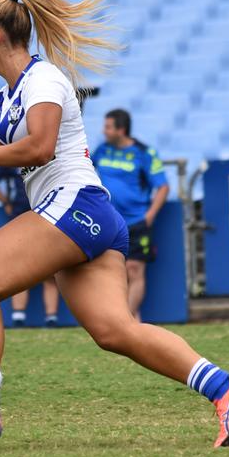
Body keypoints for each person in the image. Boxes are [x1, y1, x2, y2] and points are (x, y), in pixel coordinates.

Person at [0, 0, 229, 448]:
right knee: (115, 331)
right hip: (85, 215)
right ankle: (225, 387)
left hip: (72, 204)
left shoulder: (43, 78)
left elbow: (41, 147)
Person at [92, 109, 169, 320]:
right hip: (109, 221)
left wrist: (150, 216)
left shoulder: (144, 153)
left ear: (121, 130)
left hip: (136, 222)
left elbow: (162, 187)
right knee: (114, 271)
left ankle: (124, 319)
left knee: (134, 270)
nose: (104, 131)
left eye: (108, 127)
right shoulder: (101, 151)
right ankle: (131, 322)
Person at [0, 166, 59, 327]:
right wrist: (4, 201)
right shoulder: (14, 161)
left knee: (50, 271)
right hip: (19, 220)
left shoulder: (48, 158)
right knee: (19, 269)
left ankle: (51, 317)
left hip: (46, 219)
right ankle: (18, 316)